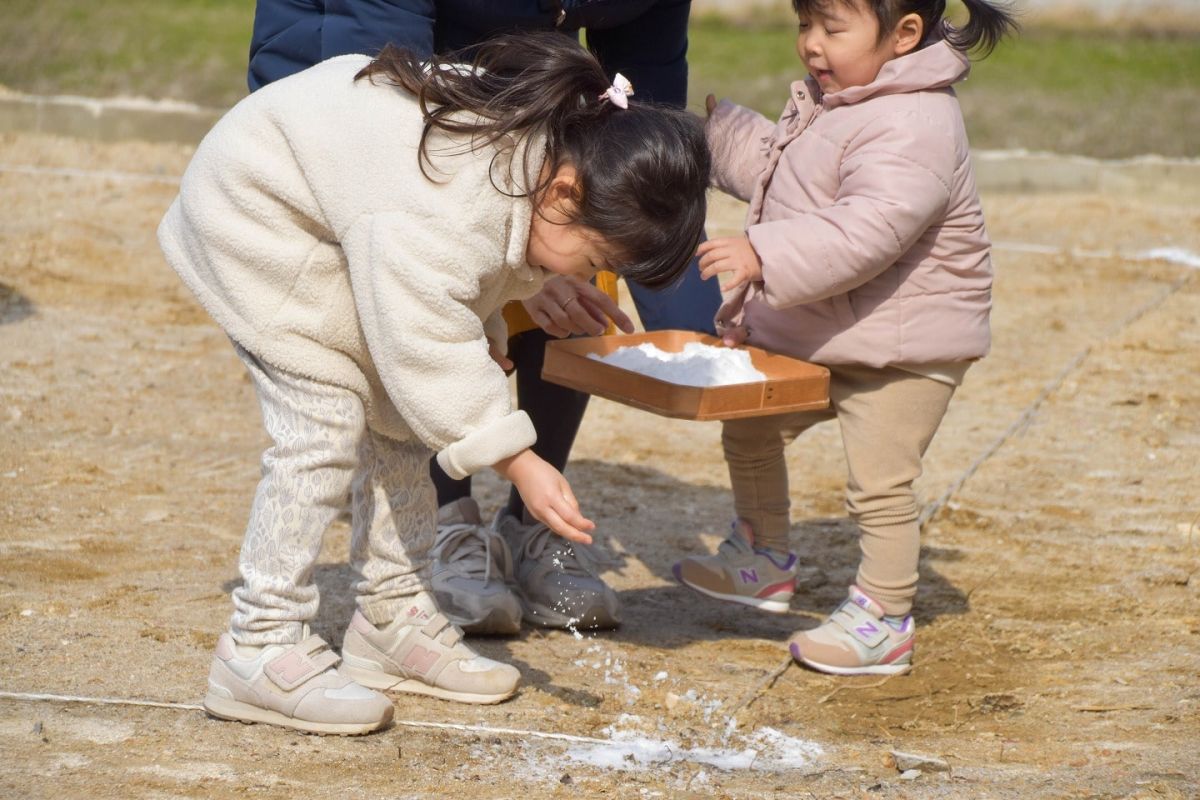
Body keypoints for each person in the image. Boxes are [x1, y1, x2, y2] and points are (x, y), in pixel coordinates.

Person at [159, 32, 710, 734]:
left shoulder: (547, 163)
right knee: (323, 422)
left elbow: (467, 267)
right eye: (595, 258)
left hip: (345, 219)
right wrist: (519, 460)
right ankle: (259, 646)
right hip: (259, 213)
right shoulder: (452, 198)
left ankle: (391, 617)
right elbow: (426, 331)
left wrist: (504, 306)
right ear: (569, 190)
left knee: (404, 415)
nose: (581, 275)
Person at [246, 0, 723, 635]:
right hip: (359, 101)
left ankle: (508, 543)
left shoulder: (555, 188)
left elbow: (644, 113)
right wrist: (517, 456)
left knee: (570, 262)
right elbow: (423, 313)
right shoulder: (434, 192)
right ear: (554, 191)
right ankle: (418, 543)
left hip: (504, 103)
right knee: (333, 425)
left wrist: (702, 329)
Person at [674, 0, 1017, 675]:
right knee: (753, 423)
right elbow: (788, 176)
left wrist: (762, 255)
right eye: (805, 25)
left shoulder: (915, 120)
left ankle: (885, 617)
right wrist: (717, 136)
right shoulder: (844, 99)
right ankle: (761, 559)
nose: (811, 45)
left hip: (905, 348)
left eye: (832, 29)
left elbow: (867, 230)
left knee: (881, 481)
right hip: (831, 328)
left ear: (905, 34)